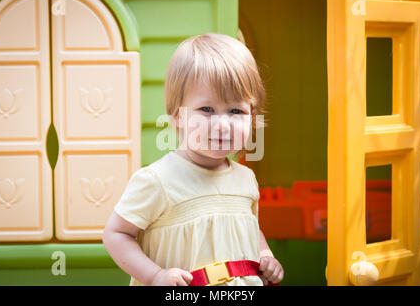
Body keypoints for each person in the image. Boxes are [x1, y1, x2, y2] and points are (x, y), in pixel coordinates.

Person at [103, 33, 284, 286]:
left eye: (236, 111)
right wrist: (155, 275)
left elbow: (249, 229)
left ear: (252, 117)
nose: (222, 125)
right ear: (178, 116)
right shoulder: (158, 180)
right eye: (207, 110)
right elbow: (116, 234)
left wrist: (265, 255)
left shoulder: (246, 179)